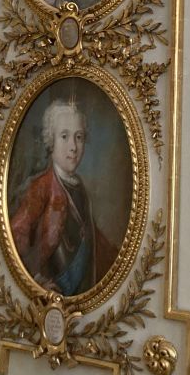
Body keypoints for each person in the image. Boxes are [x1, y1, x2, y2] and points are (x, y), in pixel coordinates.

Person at [9, 100, 118, 296]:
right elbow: (17, 234)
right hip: (54, 287)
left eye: (79, 137)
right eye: (65, 137)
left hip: (82, 288)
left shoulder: (80, 187)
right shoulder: (42, 186)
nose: (73, 147)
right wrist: (35, 280)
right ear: (51, 141)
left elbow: (92, 236)